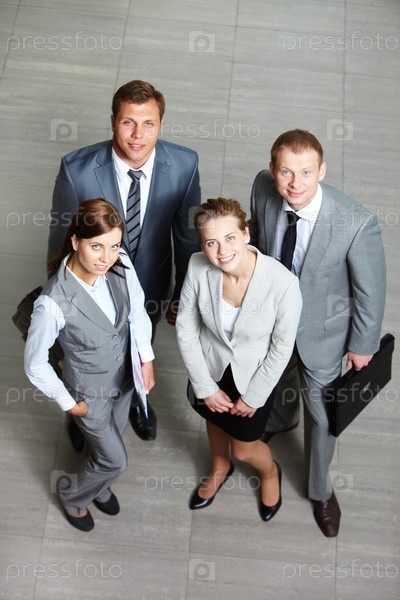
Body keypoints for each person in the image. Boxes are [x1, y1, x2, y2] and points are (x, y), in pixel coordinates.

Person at [249, 129, 386, 536]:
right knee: (275, 380)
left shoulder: (356, 223)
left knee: (322, 416)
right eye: (286, 172)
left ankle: (320, 490)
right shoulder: (262, 188)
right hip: (273, 321)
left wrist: (363, 345)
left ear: (322, 170)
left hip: (323, 332)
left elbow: (370, 291)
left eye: (306, 172)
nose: (295, 183)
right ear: (273, 169)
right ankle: (279, 419)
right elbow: (257, 233)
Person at [48, 80, 201, 444]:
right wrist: (60, 304)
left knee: (139, 344)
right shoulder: (76, 170)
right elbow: (60, 242)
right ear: (113, 121)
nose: (138, 135)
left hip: (150, 284)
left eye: (148, 124)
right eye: (128, 122)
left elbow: (185, 237)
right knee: (87, 357)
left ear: (160, 124)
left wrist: (182, 293)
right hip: (90, 290)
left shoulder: (185, 165)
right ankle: (82, 413)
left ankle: (137, 402)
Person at [25, 199, 155, 531]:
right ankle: (73, 497)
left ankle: (99, 487)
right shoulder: (52, 304)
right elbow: (35, 365)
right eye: (96, 246)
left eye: (113, 246)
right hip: (89, 395)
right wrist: (70, 404)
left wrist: (146, 359)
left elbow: (137, 309)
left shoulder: (120, 263)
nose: (106, 258)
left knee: (110, 441)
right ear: (75, 241)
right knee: (116, 459)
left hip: (125, 379)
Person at [175, 198, 302, 521]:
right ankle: (220, 466)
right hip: (209, 369)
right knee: (214, 419)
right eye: (211, 242)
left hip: (254, 377)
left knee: (244, 448)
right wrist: (205, 387)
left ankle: (270, 472)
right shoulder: (197, 266)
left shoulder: (283, 284)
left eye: (230, 237)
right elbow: (186, 330)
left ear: (246, 234)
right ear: (202, 245)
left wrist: (254, 396)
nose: (222, 251)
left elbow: (281, 349)